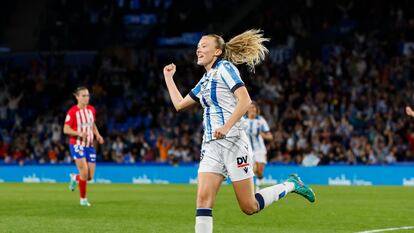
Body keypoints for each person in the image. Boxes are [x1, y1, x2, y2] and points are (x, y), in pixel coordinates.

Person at [163, 29, 315, 233]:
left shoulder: (225, 68)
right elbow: (180, 105)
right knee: (203, 201)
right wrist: (169, 78)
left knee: (249, 206)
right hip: (211, 146)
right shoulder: (205, 79)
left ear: (217, 52)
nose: (198, 49)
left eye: (204, 45)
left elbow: (245, 100)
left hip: (233, 142)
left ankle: (291, 184)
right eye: (198, 46)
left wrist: (226, 127)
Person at [63, 87, 104, 207]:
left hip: (90, 145)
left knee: (89, 177)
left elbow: (92, 124)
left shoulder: (91, 110)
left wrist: (98, 135)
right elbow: (65, 129)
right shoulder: (72, 112)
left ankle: (75, 177)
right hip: (77, 144)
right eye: (83, 96)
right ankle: (83, 199)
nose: (86, 98)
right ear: (77, 97)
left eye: (88, 95)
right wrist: (79, 133)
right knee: (84, 173)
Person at [245, 101, 273, 191]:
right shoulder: (243, 120)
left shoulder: (260, 120)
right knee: (252, 170)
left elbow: (270, 136)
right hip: (247, 150)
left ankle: (258, 189)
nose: (252, 109)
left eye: (254, 107)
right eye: (250, 107)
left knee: (259, 170)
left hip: (260, 149)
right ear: (247, 109)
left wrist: (263, 135)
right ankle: (255, 190)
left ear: (256, 109)